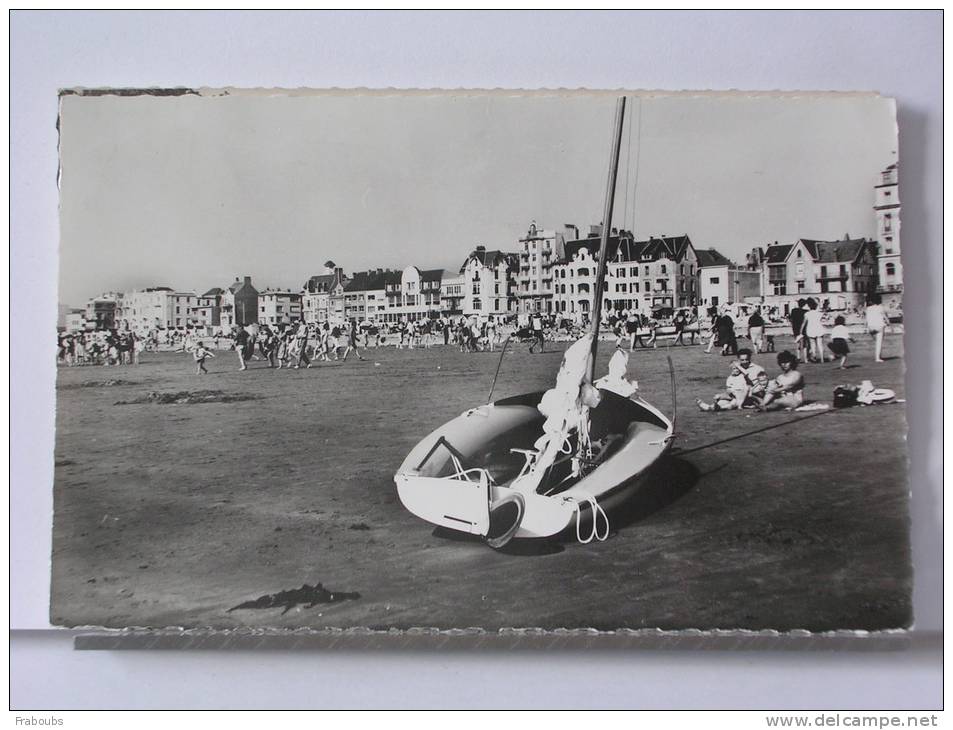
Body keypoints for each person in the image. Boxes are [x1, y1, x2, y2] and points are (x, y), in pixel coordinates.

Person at [801, 298, 827, 363]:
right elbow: (825, 319)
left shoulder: (807, 314)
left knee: (812, 344)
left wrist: (801, 331)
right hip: (818, 328)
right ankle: (822, 358)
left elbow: (804, 323)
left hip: (810, 329)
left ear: (809, 306)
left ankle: (814, 356)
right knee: (820, 344)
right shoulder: (819, 313)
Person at [865, 293, 887, 363]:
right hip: (879, 326)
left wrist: (866, 328)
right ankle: (877, 357)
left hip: (871, 327)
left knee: (876, 342)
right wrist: (889, 324)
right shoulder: (880, 307)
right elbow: (885, 317)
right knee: (879, 342)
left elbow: (866, 319)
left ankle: (879, 356)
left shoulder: (868, 308)